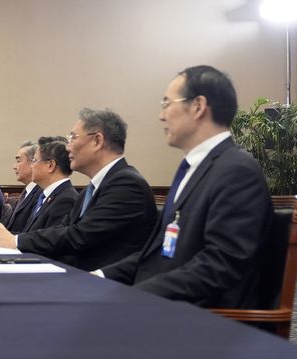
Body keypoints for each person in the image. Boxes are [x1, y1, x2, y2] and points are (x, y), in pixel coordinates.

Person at [100, 66, 275, 309]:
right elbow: (159, 254)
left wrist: (134, 297)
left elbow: (220, 265)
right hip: (165, 305)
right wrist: (99, 278)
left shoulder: (237, 171)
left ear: (198, 106)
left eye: (166, 103)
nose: (161, 116)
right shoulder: (194, 168)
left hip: (202, 320)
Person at [3, 109, 157, 271]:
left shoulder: (127, 184)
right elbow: (63, 228)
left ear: (97, 141)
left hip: (106, 284)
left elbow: (79, 236)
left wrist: (16, 241)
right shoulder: (92, 189)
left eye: (73, 138)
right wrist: (15, 239)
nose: (68, 147)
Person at [0, 137, 78, 248]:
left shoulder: (65, 199)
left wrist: (11, 239)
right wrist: (0, 235)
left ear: (50, 165)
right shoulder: (46, 196)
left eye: (34, 161)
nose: (32, 166)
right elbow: (31, 234)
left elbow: (50, 243)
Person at [1, 140, 42, 232]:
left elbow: (30, 232)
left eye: (18, 161)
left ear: (33, 163)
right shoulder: (27, 192)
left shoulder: (41, 194)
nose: (14, 166)